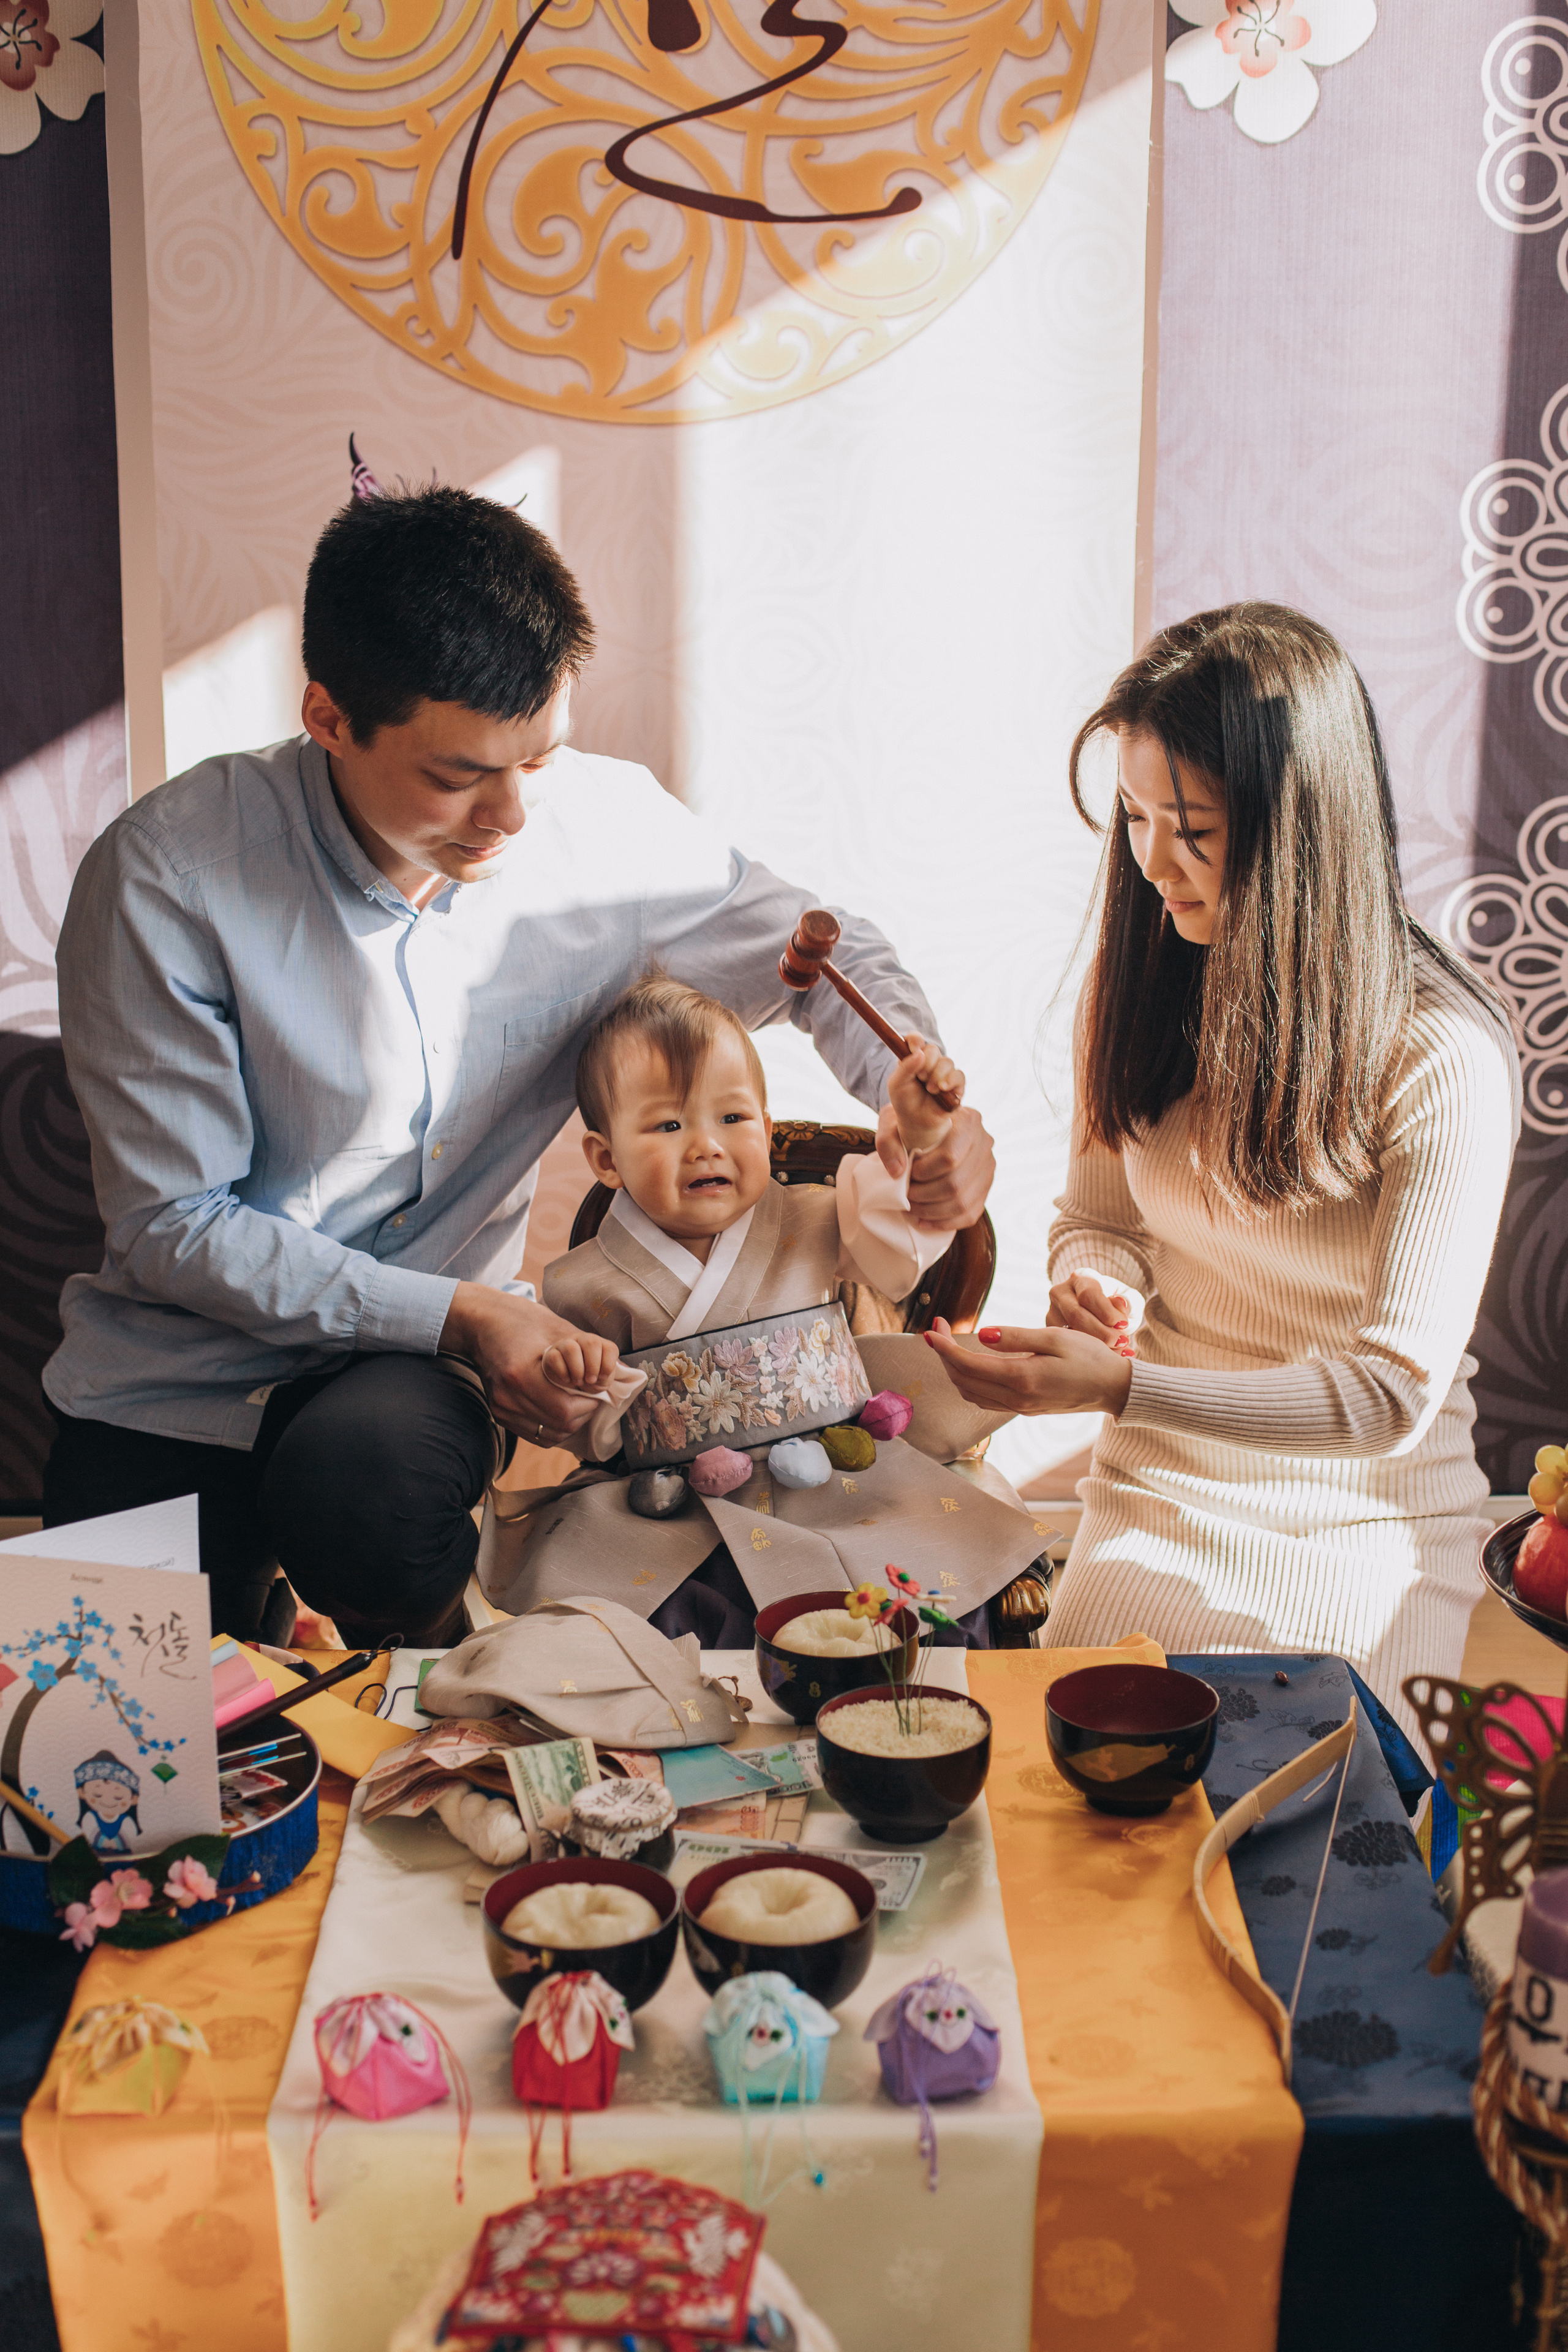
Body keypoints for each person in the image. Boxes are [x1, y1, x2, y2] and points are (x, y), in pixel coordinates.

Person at [41, 482, 995, 1646]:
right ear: (329, 718)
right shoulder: (168, 880)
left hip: (404, 1381)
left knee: (371, 1496)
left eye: (539, 759)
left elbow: (818, 953)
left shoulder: (602, 832)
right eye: (456, 777)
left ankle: (416, 1706)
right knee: (105, 1765)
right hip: (174, 1381)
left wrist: (912, 1087)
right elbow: (173, 1227)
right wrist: (469, 1314)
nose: (510, 815)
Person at [925, 603, 1520, 1732]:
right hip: (1163, 1483)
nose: (1154, 863)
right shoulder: (1146, 979)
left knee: (1317, 1794)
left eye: (1191, 830)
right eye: (1137, 819)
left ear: (1301, 829)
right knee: (1071, 1764)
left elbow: (1391, 1397)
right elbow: (1098, 1218)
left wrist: (1119, 1384)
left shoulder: (1441, 1056)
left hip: (1366, 1510)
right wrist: (1102, 1286)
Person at [480, 977, 1042, 1645]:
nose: (706, 1145)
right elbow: (585, 1428)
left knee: (918, 1584)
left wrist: (918, 1138)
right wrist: (577, 1379)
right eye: (668, 1125)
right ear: (606, 1159)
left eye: (733, 1118)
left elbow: (899, 1246)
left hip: (838, 1480)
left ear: (767, 1130)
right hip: (681, 1507)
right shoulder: (582, 1281)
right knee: (651, 1618)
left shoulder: (818, 1216)